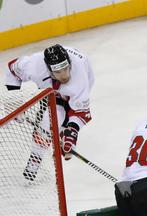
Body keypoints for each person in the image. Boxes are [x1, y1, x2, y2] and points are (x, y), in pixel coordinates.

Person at [4, 44, 94, 181]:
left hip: (74, 92)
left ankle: (64, 132)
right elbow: (12, 69)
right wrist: (16, 103)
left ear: (70, 63)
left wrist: (73, 131)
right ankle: (36, 157)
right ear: (48, 69)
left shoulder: (79, 75)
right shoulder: (34, 65)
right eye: (58, 72)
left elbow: (81, 112)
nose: (64, 75)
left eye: (65, 69)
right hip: (49, 90)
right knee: (47, 122)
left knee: (65, 123)